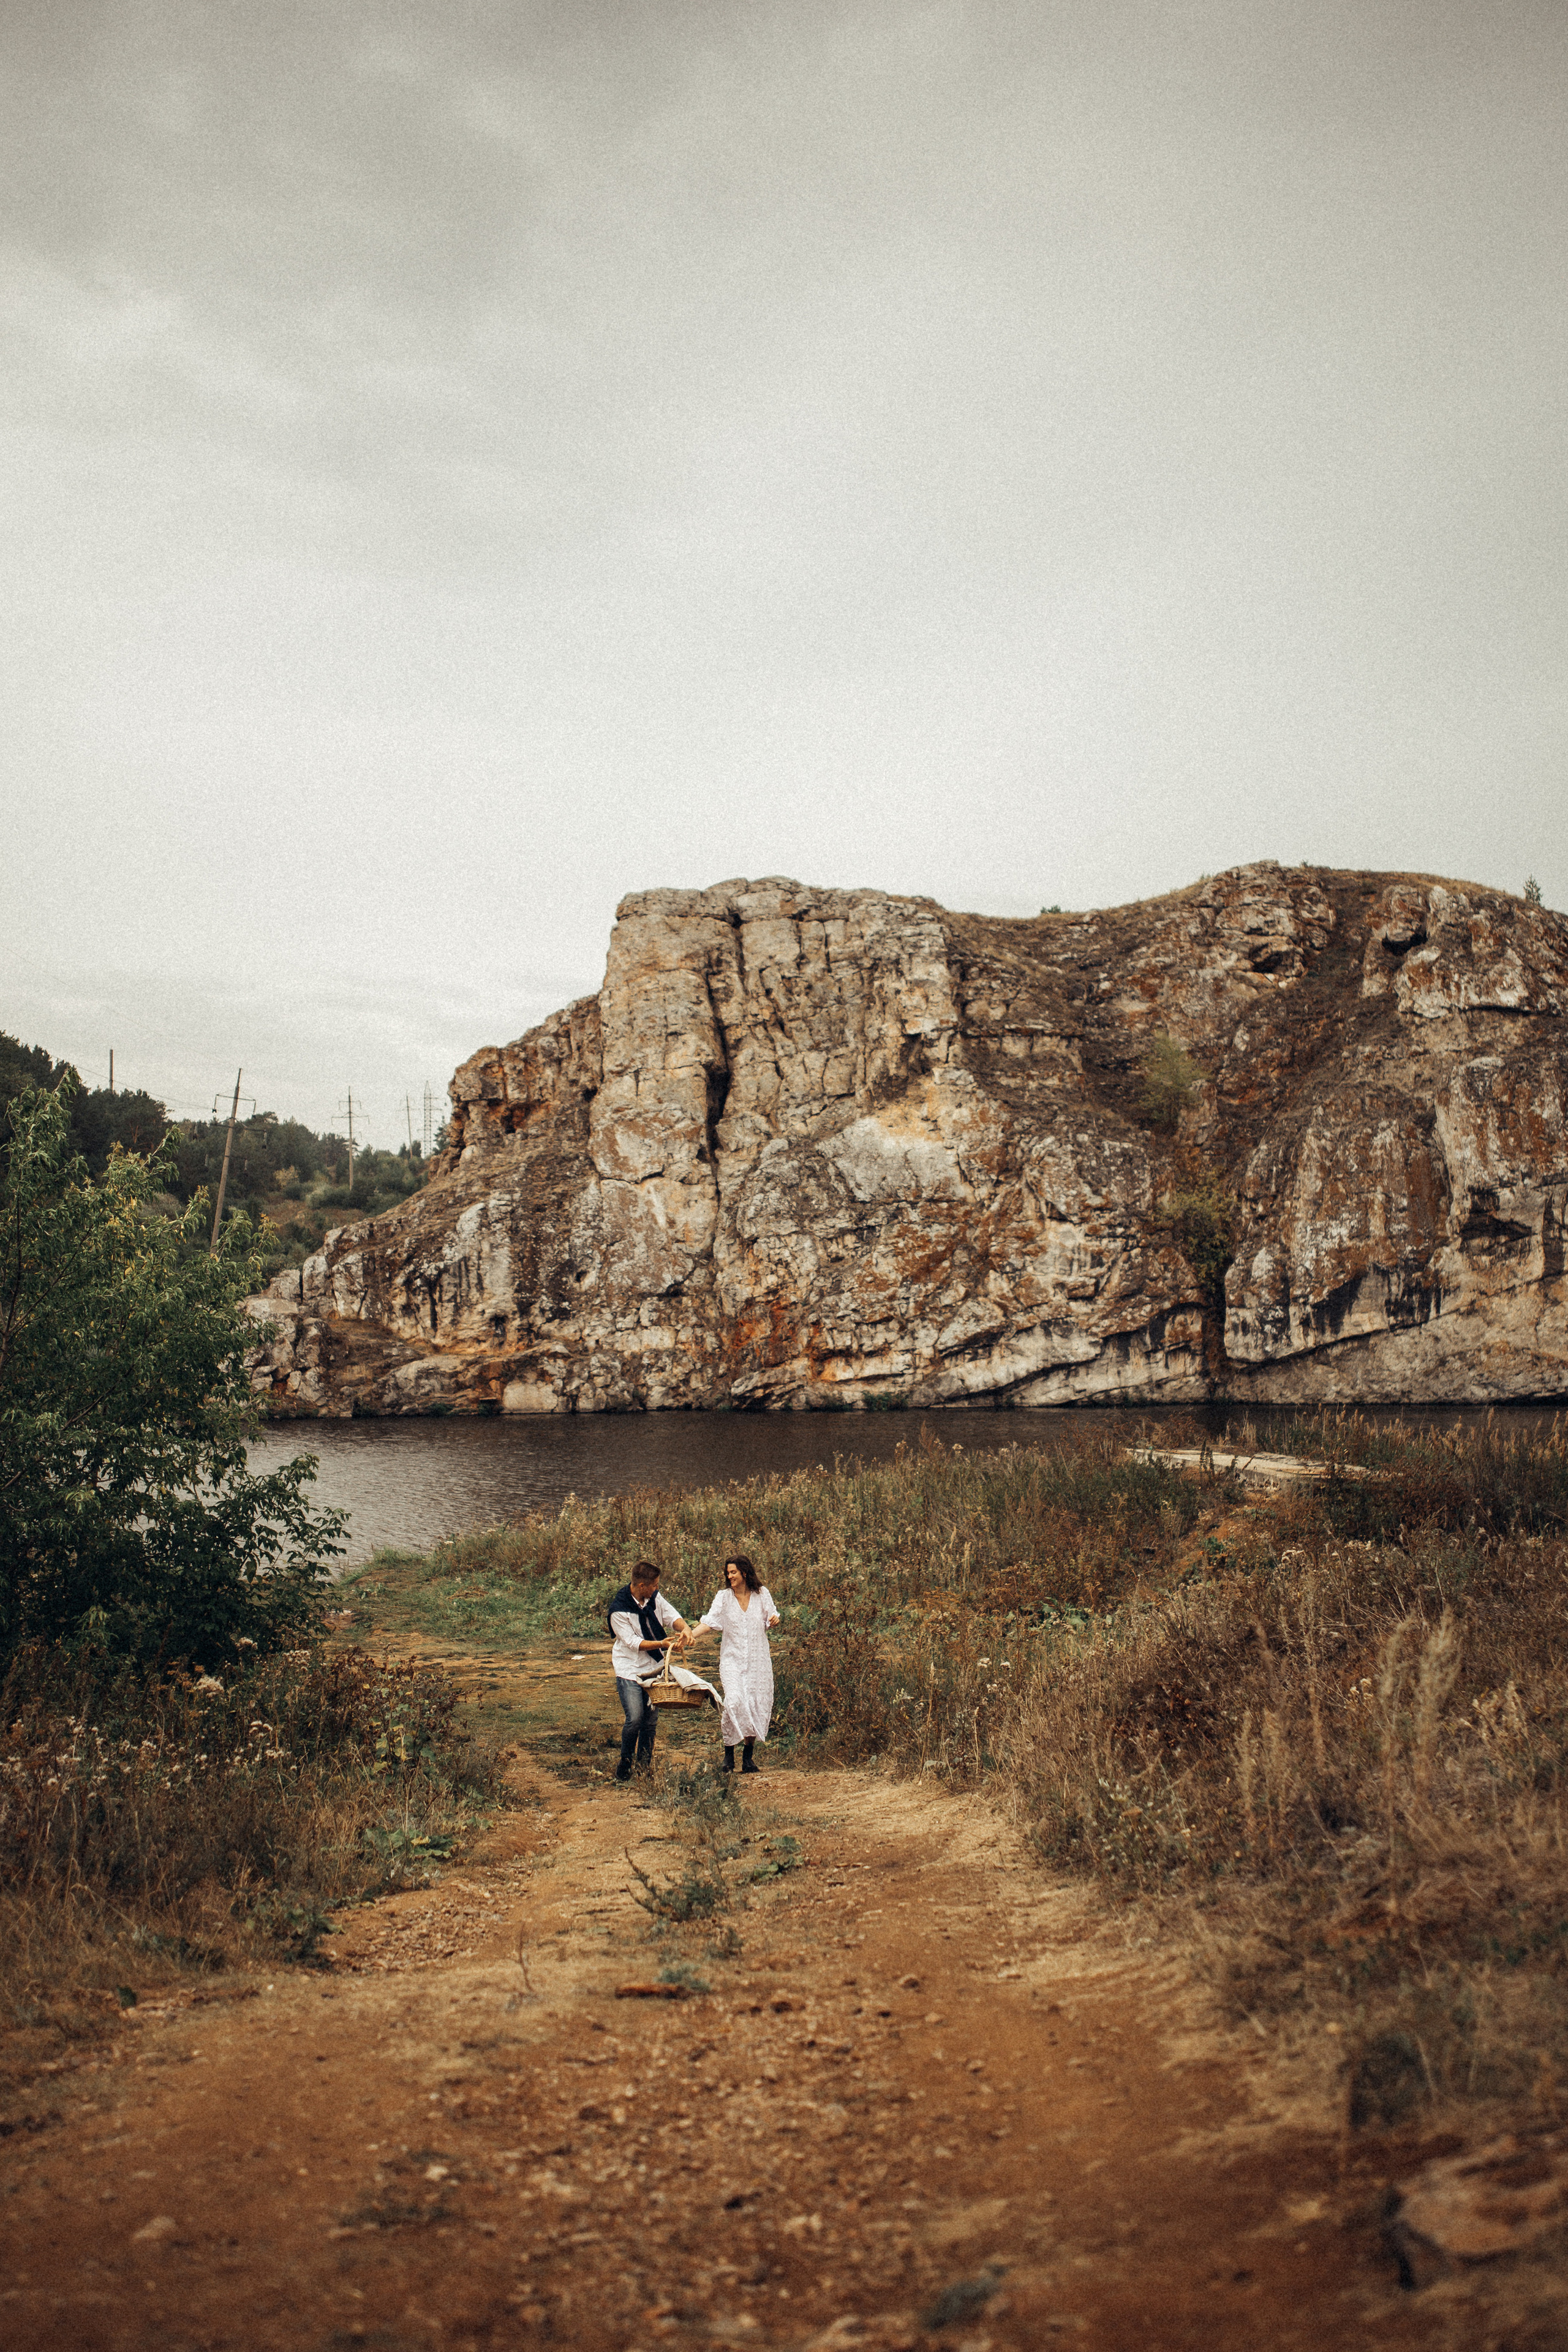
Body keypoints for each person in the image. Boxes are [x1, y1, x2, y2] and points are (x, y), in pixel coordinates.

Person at [692, 1555, 780, 1774]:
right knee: (734, 1701)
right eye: (728, 1572)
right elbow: (709, 1622)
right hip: (732, 1659)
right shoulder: (724, 1598)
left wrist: (776, 1618)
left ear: (745, 1572)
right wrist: (690, 1637)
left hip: (758, 1661)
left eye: (734, 1572)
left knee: (755, 1703)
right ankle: (728, 1754)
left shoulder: (762, 1594)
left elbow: (773, 1614)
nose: (729, 1576)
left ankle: (748, 1758)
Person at [607, 1559, 692, 1782]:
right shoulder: (619, 1610)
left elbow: (671, 1616)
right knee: (635, 1718)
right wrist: (662, 1644)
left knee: (650, 1722)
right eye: (654, 1585)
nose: (657, 1588)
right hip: (630, 1668)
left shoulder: (653, 1597)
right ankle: (625, 1764)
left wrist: (686, 1628)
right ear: (642, 1586)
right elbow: (633, 1642)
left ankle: (644, 1768)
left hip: (654, 1667)